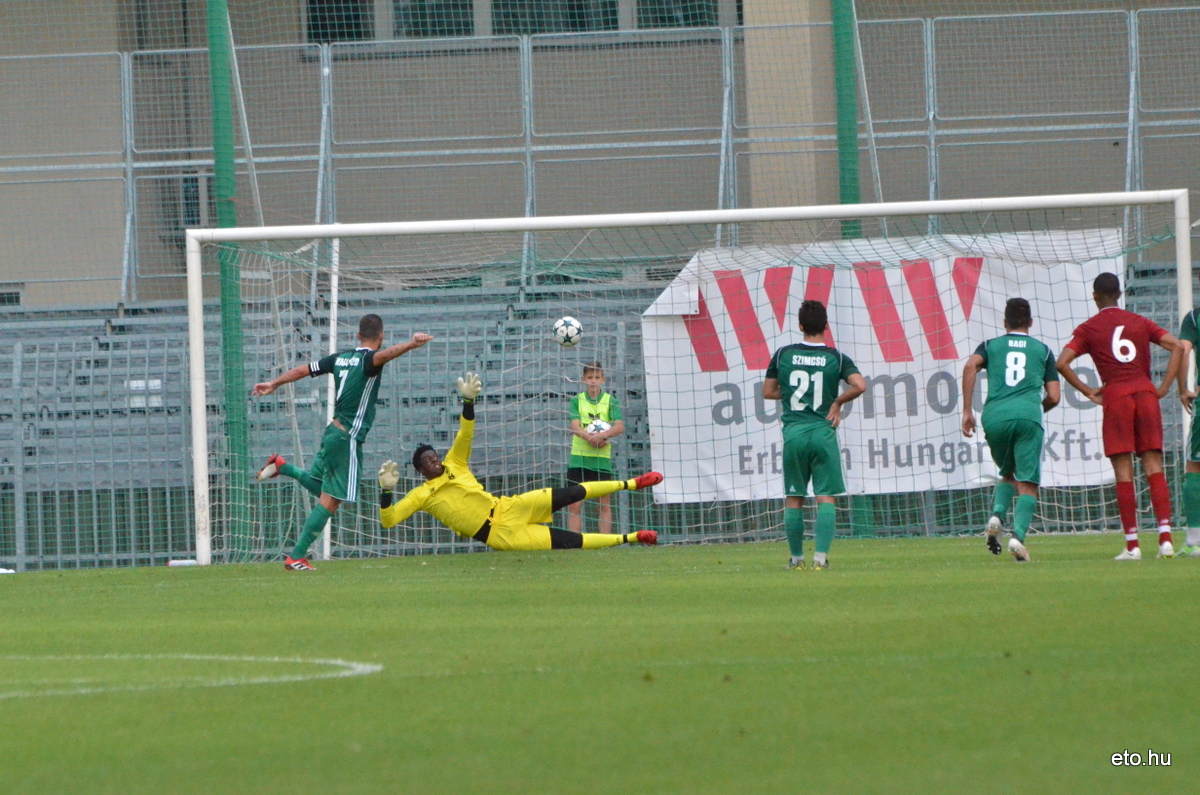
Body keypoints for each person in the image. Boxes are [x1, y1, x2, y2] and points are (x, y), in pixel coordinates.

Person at [378, 372, 662, 550]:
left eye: (434, 456)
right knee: (570, 541)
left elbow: (466, 433)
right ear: (420, 471)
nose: (435, 461)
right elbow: (388, 521)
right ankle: (634, 537)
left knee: (571, 492)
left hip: (508, 507)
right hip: (500, 536)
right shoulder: (421, 496)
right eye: (428, 461)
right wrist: (386, 492)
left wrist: (468, 402)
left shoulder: (455, 463)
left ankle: (633, 483)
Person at [252, 314, 433, 570]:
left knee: (323, 489)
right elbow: (386, 355)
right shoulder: (370, 359)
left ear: (358, 335)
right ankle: (297, 556)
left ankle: (284, 466)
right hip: (347, 437)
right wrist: (411, 344)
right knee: (332, 500)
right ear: (380, 337)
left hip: (333, 433)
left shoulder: (339, 358)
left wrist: (273, 382)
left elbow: (304, 369)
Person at [1057, 272, 1182, 560]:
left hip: (1117, 397)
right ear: (1120, 294)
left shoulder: (1089, 328)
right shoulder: (1139, 321)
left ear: (1095, 296)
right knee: (1154, 465)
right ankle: (1165, 540)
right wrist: (1162, 387)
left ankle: (1133, 545)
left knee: (1123, 470)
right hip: (1145, 393)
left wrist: (1089, 391)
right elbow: (1176, 345)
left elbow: (1062, 362)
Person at [762, 300, 866, 571]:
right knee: (826, 497)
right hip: (823, 433)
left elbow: (768, 391)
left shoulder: (783, 354)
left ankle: (796, 559)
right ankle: (820, 558)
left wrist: (798, 396)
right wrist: (837, 402)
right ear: (826, 326)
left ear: (800, 326)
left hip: (794, 434)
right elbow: (860, 385)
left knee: (794, 498)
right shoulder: (837, 358)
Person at [961, 298, 1062, 562]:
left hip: (995, 418)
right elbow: (1054, 395)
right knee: (1027, 483)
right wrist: (1033, 410)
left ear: (1005, 323)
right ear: (1030, 322)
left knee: (1007, 473)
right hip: (1027, 416)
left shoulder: (990, 346)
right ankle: (1017, 537)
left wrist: (967, 411)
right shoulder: (1044, 350)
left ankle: (996, 515)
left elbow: (970, 365)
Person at [566, 361, 625, 534]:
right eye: (590, 377)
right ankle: (574, 543)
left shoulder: (610, 401)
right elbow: (575, 426)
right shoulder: (577, 400)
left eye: (597, 377)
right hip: (579, 458)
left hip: (601, 460)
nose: (593, 381)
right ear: (584, 379)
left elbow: (619, 427)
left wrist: (603, 435)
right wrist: (591, 437)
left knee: (603, 504)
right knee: (574, 504)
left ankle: (604, 543)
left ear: (603, 380)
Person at [1173, 306, 1200, 556]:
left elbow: (1182, 349)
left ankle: (1194, 541)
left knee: (1195, 466)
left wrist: (1184, 388)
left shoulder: (1194, 317)